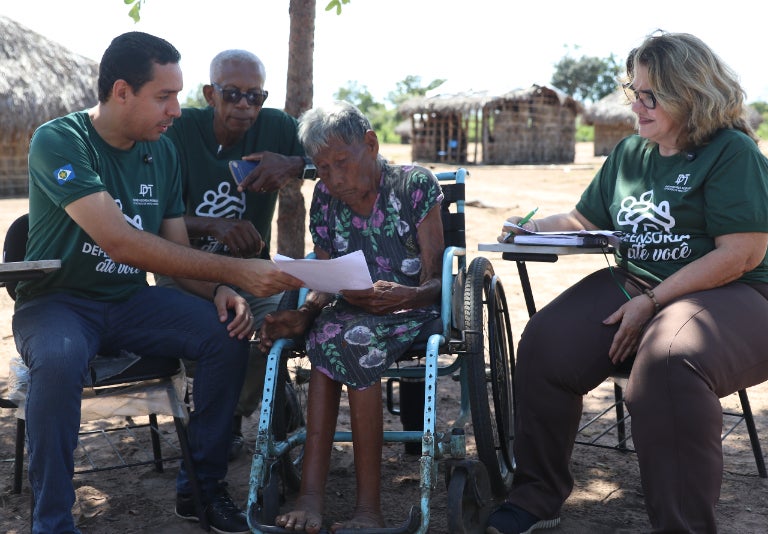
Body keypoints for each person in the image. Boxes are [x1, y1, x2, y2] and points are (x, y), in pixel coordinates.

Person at [488, 31, 768, 534]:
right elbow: (584, 221)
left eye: (651, 94)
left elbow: (741, 254)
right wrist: (530, 227)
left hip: (738, 297)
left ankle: (682, 525)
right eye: (634, 91)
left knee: (669, 358)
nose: (636, 104)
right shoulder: (630, 153)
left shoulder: (733, 153)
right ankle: (538, 496)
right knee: (546, 340)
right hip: (638, 285)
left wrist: (652, 302)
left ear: (690, 93)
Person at [12, 31, 303, 534]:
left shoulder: (161, 152)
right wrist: (237, 272)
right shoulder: (60, 140)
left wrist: (219, 292)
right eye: (164, 97)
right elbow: (121, 243)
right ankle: (53, 522)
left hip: (128, 300)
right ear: (122, 91)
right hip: (57, 303)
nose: (175, 110)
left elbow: (174, 256)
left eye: (178, 96)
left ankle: (202, 492)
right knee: (58, 361)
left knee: (225, 333)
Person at [257, 101, 445, 532]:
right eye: (322, 168)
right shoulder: (324, 197)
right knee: (327, 334)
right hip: (348, 310)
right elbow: (325, 276)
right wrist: (305, 312)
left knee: (349, 341)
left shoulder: (413, 185)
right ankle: (311, 498)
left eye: (341, 162)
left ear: (372, 145)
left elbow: (437, 283)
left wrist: (407, 294)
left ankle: (368, 510)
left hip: (411, 310)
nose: (333, 178)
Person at [158, 48, 315, 461]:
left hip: (249, 274)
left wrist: (295, 163)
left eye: (255, 96)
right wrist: (213, 225)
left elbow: (341, 154)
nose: (245, 107)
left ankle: (230, 416)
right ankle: (225, 417)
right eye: (232, 95)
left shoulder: (278, 128)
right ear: (210, 94)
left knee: (272, 332)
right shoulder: (179, 131)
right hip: (184, 269)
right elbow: (151, 218)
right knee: (225, 333)